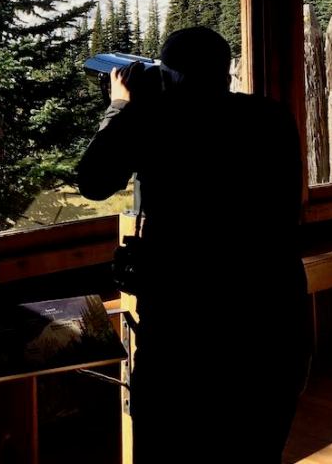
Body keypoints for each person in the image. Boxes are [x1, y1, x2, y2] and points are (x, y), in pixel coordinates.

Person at [77, 26, 312, 463]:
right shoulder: (271, 116)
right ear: (225, 71)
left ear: (170, 78)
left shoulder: (156, 121)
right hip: (275, 319)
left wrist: (121, 106)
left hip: (186, 332)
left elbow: (92, 181)